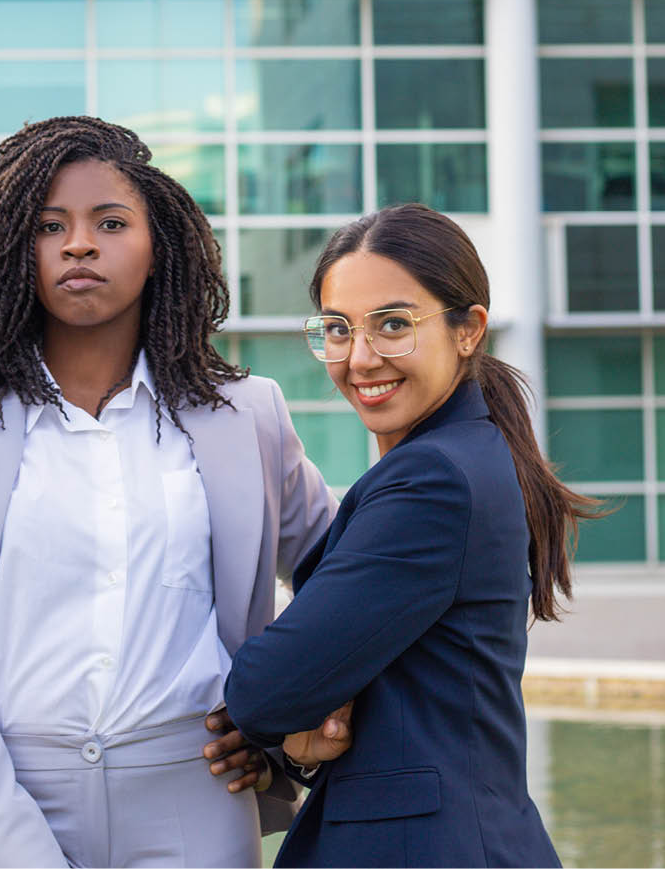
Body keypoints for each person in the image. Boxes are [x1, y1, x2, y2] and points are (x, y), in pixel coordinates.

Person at [0, 116, 341, 868]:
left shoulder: (247, 415)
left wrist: (280, 733)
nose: (79, 243)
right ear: (9, 251)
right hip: (0, 803)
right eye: (48, 225)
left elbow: (343, 582)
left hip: (198, 798)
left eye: (111, 222)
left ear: (160, 249)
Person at [224, 203, 600, 868]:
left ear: (468, 330)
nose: (360, 357)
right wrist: (299, 738)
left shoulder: (434, 477)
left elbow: (265, 688)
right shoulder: (459, 453)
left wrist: (283, 716)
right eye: (338, 329)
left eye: (393, 325)